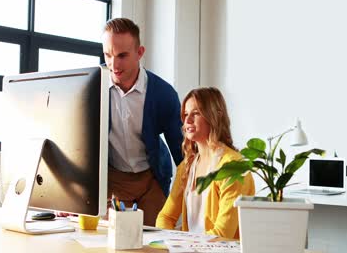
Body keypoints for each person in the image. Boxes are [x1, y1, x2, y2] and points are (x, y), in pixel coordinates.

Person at [102, 18, 183, 226]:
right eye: (108, 55)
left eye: (122, 55)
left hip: (152, 179)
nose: (114, 64)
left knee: (153, 241)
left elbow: (182, 152)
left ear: (140, 53)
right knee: (117, 242)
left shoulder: (164, 94)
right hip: (114, 178)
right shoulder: (95, 88)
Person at [155, 87, 255, 239]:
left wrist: (183, 242)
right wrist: (172, 242)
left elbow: (222, 235)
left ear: (214, 116)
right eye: (186, 114)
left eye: (195, 113)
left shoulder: (233, 167)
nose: (187, 121)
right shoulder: (187, 166)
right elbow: (165, 218)